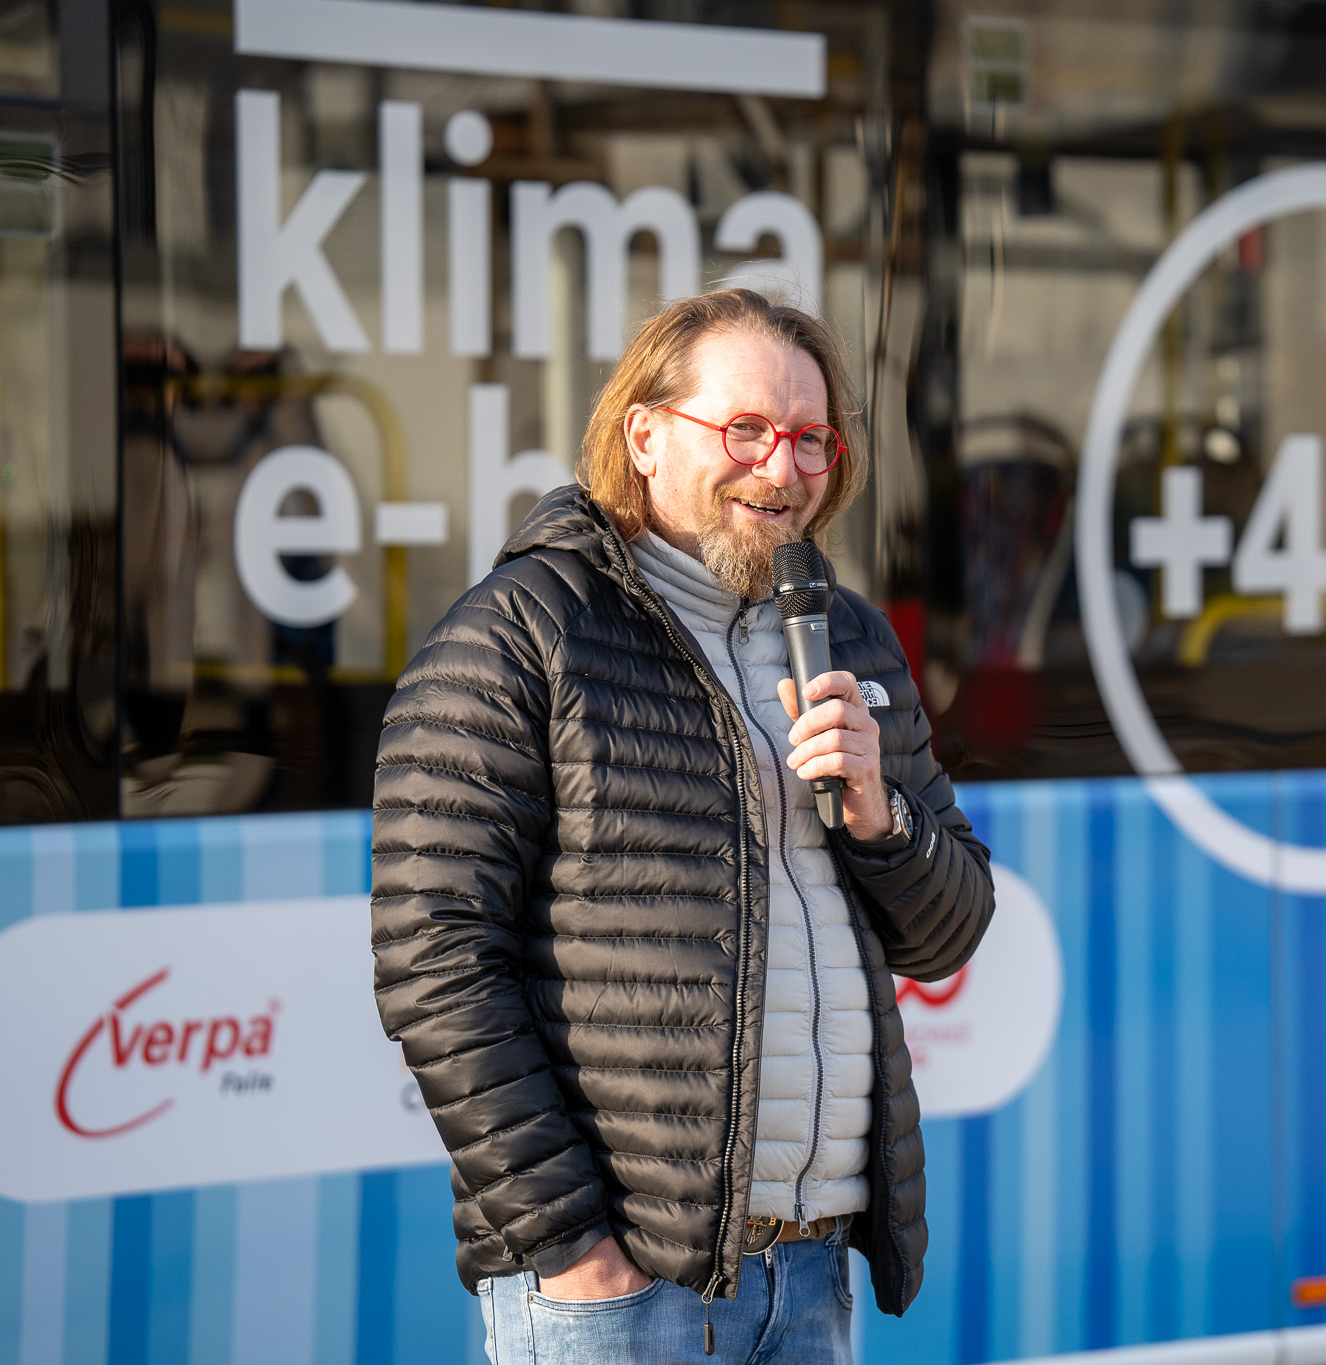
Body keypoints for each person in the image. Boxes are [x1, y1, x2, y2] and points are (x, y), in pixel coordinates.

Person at [371, 289, 994, 1365]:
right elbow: (435, 964)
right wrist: (574, 1248)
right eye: (744, 430)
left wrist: (875, 815)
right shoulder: (523, 634)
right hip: (625, 1291)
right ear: (644, 436)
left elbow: (949, 932)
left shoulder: (845, 637)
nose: (782, 468)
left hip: (807, 1274)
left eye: (809, 439)